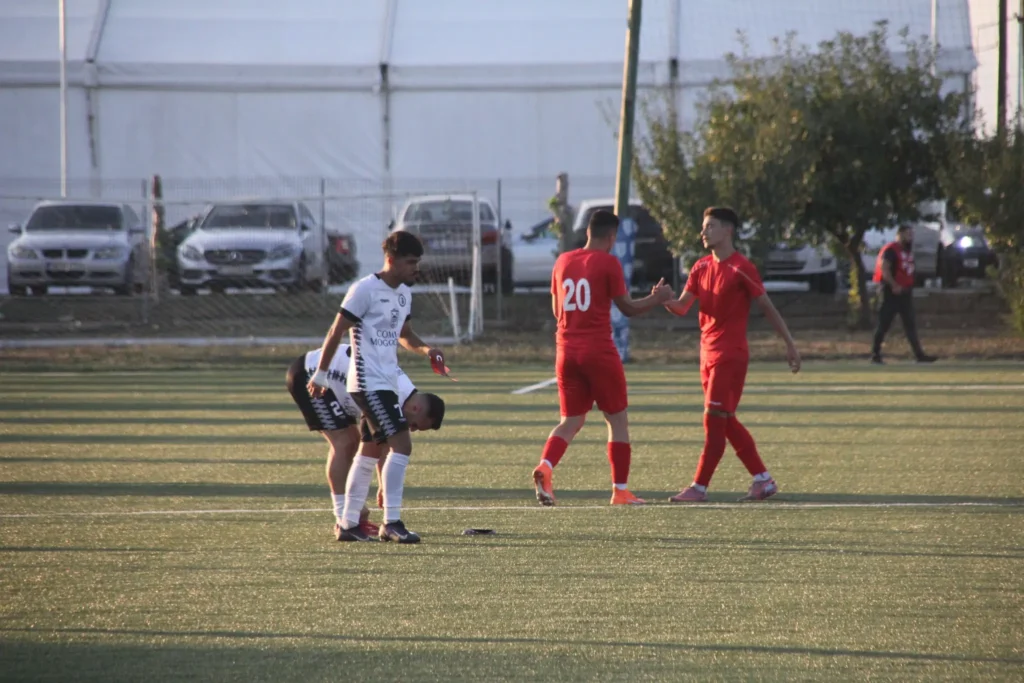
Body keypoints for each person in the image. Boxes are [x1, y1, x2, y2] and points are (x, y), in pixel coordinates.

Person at [308, 231, 445, 543]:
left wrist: (427, 350)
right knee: (403, 444)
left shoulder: (404, 294)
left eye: (418, 262)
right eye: (410, 262)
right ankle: (391, 522)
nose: (416, 268)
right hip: (367, 382)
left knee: (369, 451)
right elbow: (336, 331)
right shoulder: (365, 289)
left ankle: (348, 524)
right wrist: (321, 374)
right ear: (391, 260)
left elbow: (404, 335)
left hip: (386, 381)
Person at [532, 209, 674, 507]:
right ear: (612, 237)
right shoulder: (608, 263)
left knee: (570, 420)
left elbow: (557, 310)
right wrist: (658, 298)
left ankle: (546, 466)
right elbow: (629, 308)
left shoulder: (563, 261)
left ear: (587, 232)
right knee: (617, 419)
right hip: (598, 350)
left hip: (566, 351)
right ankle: (620, 491)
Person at [663, 206, 801, 502]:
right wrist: (662, 299)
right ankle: (763, 479)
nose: (703, 232)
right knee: (725, 420)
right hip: (707, 354)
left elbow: (767, 307)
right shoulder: (700, 267)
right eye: (704, 226)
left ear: (728, 230)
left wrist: (789, 344)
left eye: (710, 226)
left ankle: (699, 487)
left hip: (730, 355)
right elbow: (682, 307)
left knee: (714, 420)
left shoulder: (741, 267)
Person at [286, 345, 446, 541]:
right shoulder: (391, 395)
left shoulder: (400, 396)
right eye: (414, 425)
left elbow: (380, 443)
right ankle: (342, 519)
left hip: (336, 381)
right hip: (309, 374)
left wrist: (383, 484)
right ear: (416, 408)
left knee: (355, 443)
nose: (410, 429)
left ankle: (351, 518)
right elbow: (374, 445)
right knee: (345, 443)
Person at [870, 224, 937, 364]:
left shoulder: (907, 251)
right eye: (907, 234)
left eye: (911, 235)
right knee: (884, 324)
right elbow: (885, 268)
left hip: (905, 292)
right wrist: (894, 285)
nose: (910, 237)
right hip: (890, 292)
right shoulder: (891, 250)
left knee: (910, 324)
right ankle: (875, 354)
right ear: (899, 235)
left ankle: (919, 355)